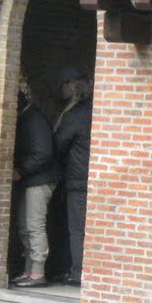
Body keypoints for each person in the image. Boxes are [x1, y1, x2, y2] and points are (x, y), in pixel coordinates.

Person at [11, 73, 57, 288]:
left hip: (39, 180)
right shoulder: (29, 118)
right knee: (24, 225)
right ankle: (29, 270)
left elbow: (44, 154)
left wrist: (20, 170)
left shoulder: (34, 120)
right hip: (32, 180)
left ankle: (37, 273)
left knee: (34, 225)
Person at [53, 67, 92, 287]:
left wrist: (66, 111)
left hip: (77, 180)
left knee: (77, 229)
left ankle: (78, 274)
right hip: (91, 177)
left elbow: (58, 143)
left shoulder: (75, 115)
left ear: (72, 86)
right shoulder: (97, 110)